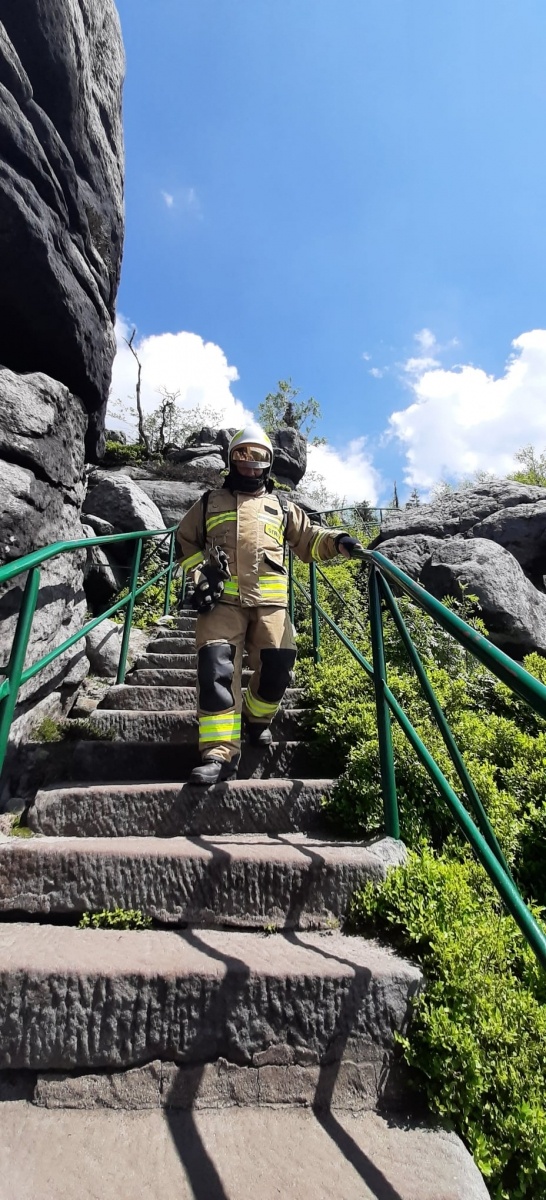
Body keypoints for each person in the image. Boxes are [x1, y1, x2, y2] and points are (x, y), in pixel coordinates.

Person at [175, 423, 363, 785]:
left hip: (271, 603)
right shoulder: (208, 502)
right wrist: (199, 573)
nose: (250, 464)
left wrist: (338, 540)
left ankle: (257, 719)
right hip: (221, 604)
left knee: (278, 670)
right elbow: (185, 542)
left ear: (269, 463)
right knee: (215, 670)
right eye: (242, 455)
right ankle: (218, 752)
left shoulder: (281, 506)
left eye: (258, 456)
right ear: (231, 460)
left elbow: (309, 538)